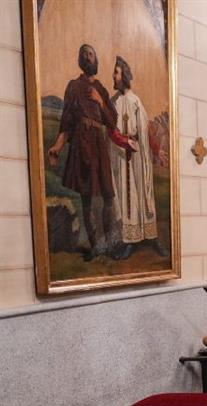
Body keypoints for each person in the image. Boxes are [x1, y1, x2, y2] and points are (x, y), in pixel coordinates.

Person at [47, 44, 135, 261]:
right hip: (81, 147)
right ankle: (96, 245)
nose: (89, 58)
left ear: (95, 60)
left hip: (99, 145)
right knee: (86, 198)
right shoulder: (73, 87)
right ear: (81, 60)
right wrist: (57, 147)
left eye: (91, 54)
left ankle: (110, 242)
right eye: (85, 54)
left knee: (108, 196)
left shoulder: (102, 90)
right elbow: (66, 124)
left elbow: (111, 121)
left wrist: (99, 101)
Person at [108, 55, 164, 260]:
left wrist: (156, 151)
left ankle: (150, 236)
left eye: (116, 72)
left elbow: (146, 129)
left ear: (124, 75)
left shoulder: (135, 101)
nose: (113, 76)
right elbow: (110, 130)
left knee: (143, 194)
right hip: (122, 156)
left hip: (139, 156)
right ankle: (130, 240)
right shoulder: (113, 102)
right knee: (127, 196)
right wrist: (123, 142)